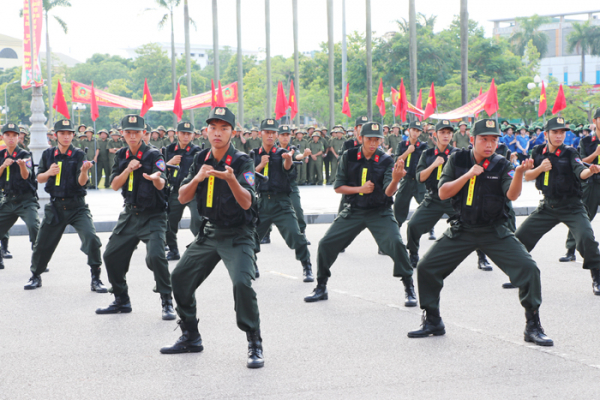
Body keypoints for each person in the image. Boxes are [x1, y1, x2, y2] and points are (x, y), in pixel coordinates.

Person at [407, 118, 553, 347]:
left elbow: (512, 196)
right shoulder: (458, 159)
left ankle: (533, 325)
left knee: (529, 269)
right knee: (427, 267)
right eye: (484, 139)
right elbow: (443, 193)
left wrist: (518, 175)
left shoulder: (502, 164)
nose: (489, 144)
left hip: (494, 230)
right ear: (473, 139)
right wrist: (467, 175)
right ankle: (433, 320)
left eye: (494, 140)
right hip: (462, 228)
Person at [160, 106, 264, 369]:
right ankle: (191, 336)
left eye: (224, 128)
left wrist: (231, 180)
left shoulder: (242, 161)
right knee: (179, 278)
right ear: (206, 131)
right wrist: (197, 177)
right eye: (213, 128)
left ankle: (254, 341)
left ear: (232, 132)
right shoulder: (200, 158)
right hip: (209, 232)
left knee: (242, 284)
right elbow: (183, 197)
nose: (217, 133)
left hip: (238, 234)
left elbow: (247, 203)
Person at [303, 122, 417, 307]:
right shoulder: (349, 156)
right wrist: (360, 189)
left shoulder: (386, 160)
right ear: (360, 138)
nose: (373, 143)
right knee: (326, 243)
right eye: (369, 139)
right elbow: (338, 187)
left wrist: (396, 180)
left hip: (380, 211)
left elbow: (389, 192)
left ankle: (409, 287)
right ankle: (321, 286)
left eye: (377, 140)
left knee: (396, 243)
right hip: (354, 210)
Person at [96, 114, 175, 320]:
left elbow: (162, 181)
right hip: (130, 213)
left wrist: (156, 178)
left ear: (144, 134)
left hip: (154, 215)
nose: (132, 136)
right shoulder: (122, 155)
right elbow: (114, 185)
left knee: (156, 257)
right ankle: (121, 299)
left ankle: (167, 301)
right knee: (111, 255)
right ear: (122, 134)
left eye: (136, 132)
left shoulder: (153, 154)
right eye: (128, 132)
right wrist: (128, 169)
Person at [514, 116, 600, 296]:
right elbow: (528, 176)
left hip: (572, 206)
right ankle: (518, 276)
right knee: (519, 239)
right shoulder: (538, 151)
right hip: (548, 206)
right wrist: (540, 169)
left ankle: (597, 277)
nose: (559, 136)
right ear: (546, 134)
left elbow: (580, 171)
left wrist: (589, 171)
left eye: (562, 132)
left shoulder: (570, 152)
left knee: (586, 238)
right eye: (555, 132)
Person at [23, 119, 106, 293]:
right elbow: (39, 178)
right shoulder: (48, 154)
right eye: (63, 133)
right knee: (42, 243)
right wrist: (49, 172)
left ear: (73, 135)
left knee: (91, 238)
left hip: (77, 207)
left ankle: (96, 278)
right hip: (56, 207)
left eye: (69, 133)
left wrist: (84, 171)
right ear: (56, 136)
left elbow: (81, 183)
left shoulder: (78, 155)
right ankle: (35, 275)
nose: (66, 136)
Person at [251, 118, 313, 282]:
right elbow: (248, 178)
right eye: (267, 132)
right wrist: (259, 166)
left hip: (281, 203)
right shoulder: (254, 154)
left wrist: (287, 159)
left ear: (276, 135)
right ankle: (252, 264)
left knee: (296, 235)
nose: (270, 135)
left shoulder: (281, 153)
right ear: (261, 134)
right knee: (250, 237)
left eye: (273, 133)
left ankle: (307, 266)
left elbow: (288, 168)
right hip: (263, 203)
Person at [405, 120, 457, 268]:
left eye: (448, 133)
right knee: (413, 225)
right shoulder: (427, 154)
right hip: (433, 198)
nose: (446, 136)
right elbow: (420, 177)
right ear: (435, 135)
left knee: (472, 226)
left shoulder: (457, 153)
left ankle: (481, 257)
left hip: (452, 199)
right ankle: (413, 253)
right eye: (442, 132)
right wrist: (434, 164)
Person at [0, 123, 40, 270]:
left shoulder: (25, 154)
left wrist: (23, 166)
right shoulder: (1, 155)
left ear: (18, 137)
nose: (11, 138)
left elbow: (26, 176)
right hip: (8, 199)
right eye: (8, 135)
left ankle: (39, 260)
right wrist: (3, 165)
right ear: (2, 137)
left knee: (34, 227)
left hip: (25, 200)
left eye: (14, 135)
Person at [164, 121, 202, 261]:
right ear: (177, 134)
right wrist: (169, 163)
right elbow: (160, 169)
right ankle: (173, 250)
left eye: (188, 134)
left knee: (198, 220)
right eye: (183, 133)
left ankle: (199, 248)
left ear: (192, 135)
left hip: (193, 191)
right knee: (169, 222)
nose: (186, 136)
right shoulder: (169, 150)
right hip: (175, 191)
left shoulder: (197, 151)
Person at [393, 121, 428, 229]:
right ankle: (396, 228)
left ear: (420, 133)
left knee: (426, 205)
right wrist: (408, 151)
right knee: (399, 204)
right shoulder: (402, 145)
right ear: (409, 131)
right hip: (406, 180)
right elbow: (397, 161)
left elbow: (427, 162)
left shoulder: (423, 146)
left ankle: (429, 228)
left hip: (419, 181)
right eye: (413, 130)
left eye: (418, 131)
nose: (415, 133)